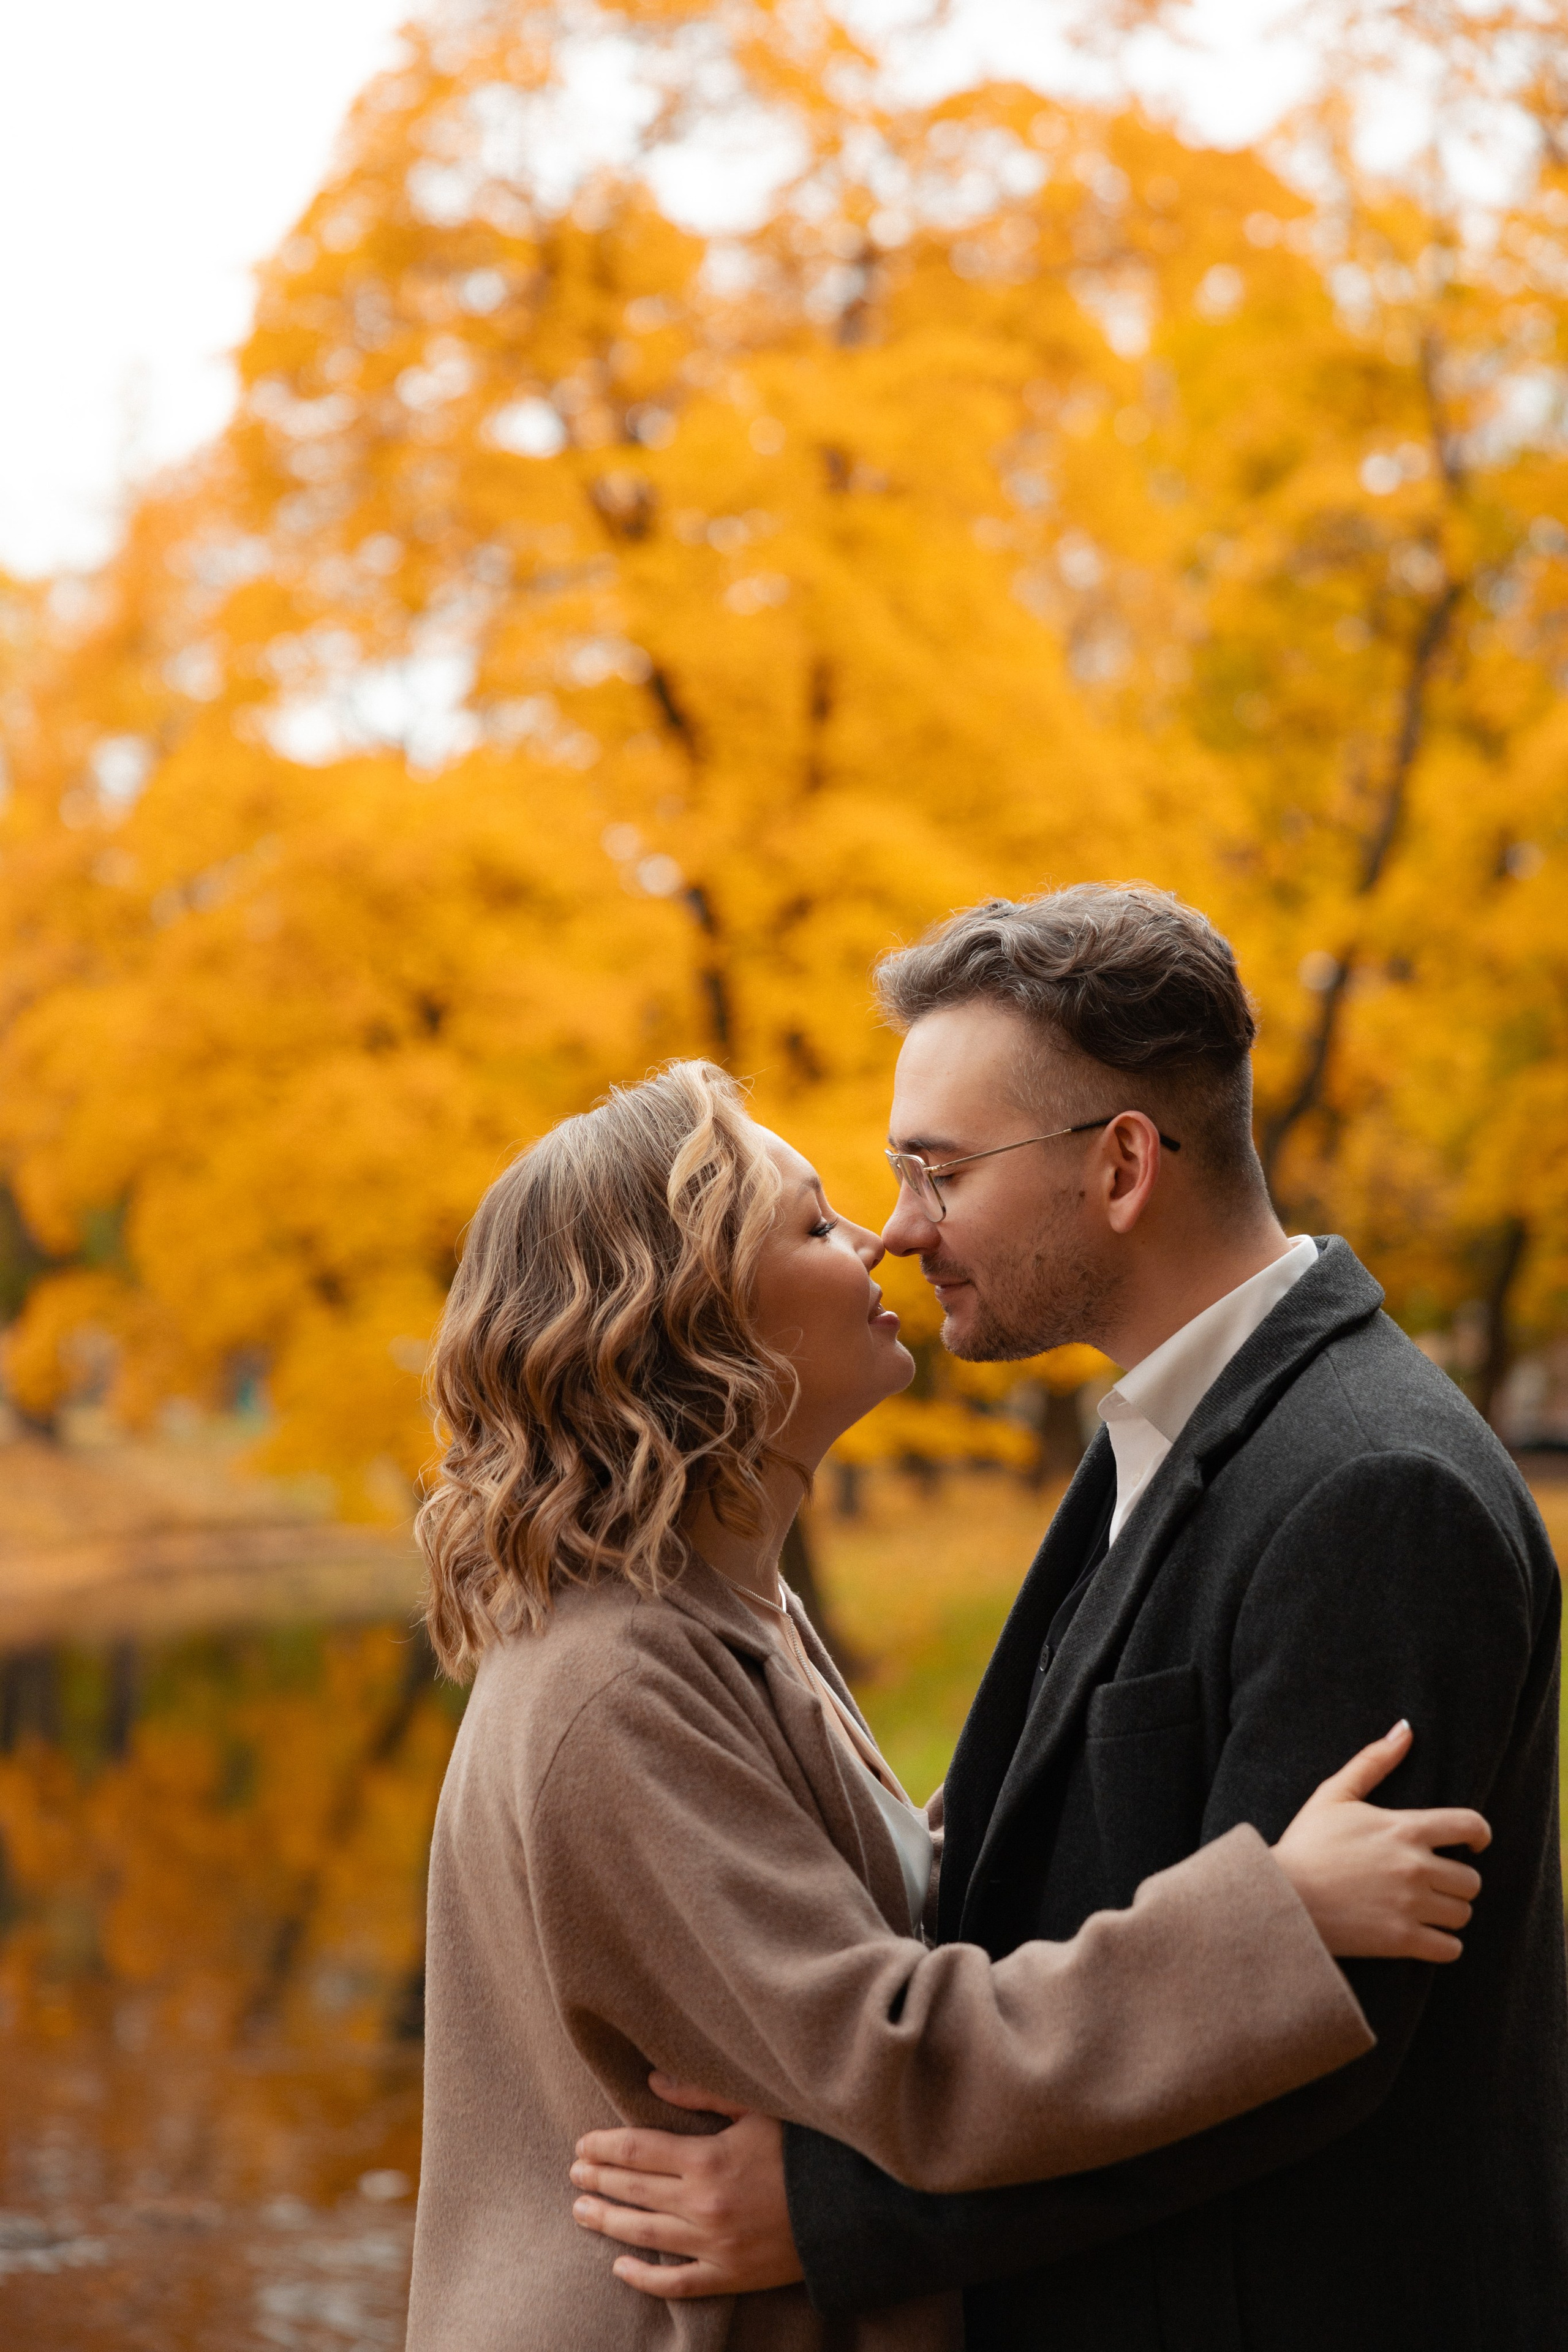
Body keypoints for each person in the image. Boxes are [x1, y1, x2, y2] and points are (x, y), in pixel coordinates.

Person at [568, 887, 1567, 2351]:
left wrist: (835, 2212)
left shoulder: (1373, 1487)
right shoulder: (1161, 1431)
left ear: (1117, 1167)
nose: (899, 1230)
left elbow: (1312, 2047)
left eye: (938, 1170)